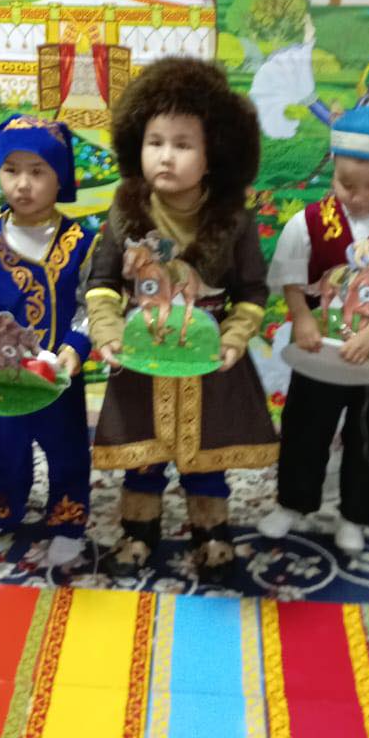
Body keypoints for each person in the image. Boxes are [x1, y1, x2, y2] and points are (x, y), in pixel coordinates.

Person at [87, 57, 278, 585]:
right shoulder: (123, 213)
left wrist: (235, 337)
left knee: (206, 457)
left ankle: (211, 533)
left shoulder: (235, 221)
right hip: (140, 357)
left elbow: (252, 292)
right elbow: (101, 282)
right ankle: (138, 531)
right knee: (142, 456)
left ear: (215, 153)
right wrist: (107, 329)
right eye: (155, 142)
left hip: (209, 362)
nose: (166, 156)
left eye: (183, 144)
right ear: (136, 143)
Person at [259, 105, 369, 553]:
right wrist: (302, 316)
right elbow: (291, 280)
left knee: (367, 435)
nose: (359, 197)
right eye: (347, 184)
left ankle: (355, 516)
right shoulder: (308, 222)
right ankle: (293, 502)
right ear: (332, 167)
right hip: (318, 353)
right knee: (304, 428)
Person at [0, 115, 96, 568]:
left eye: (37, 171)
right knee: (6, 443)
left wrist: (75, 347)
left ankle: (68, 518)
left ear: (60, 177)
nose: (22, 184)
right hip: (3, 372)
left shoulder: (81, 240)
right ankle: (4, 506)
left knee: (66, 448)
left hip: (57, 372)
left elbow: (88, 304)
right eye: (11, 170)